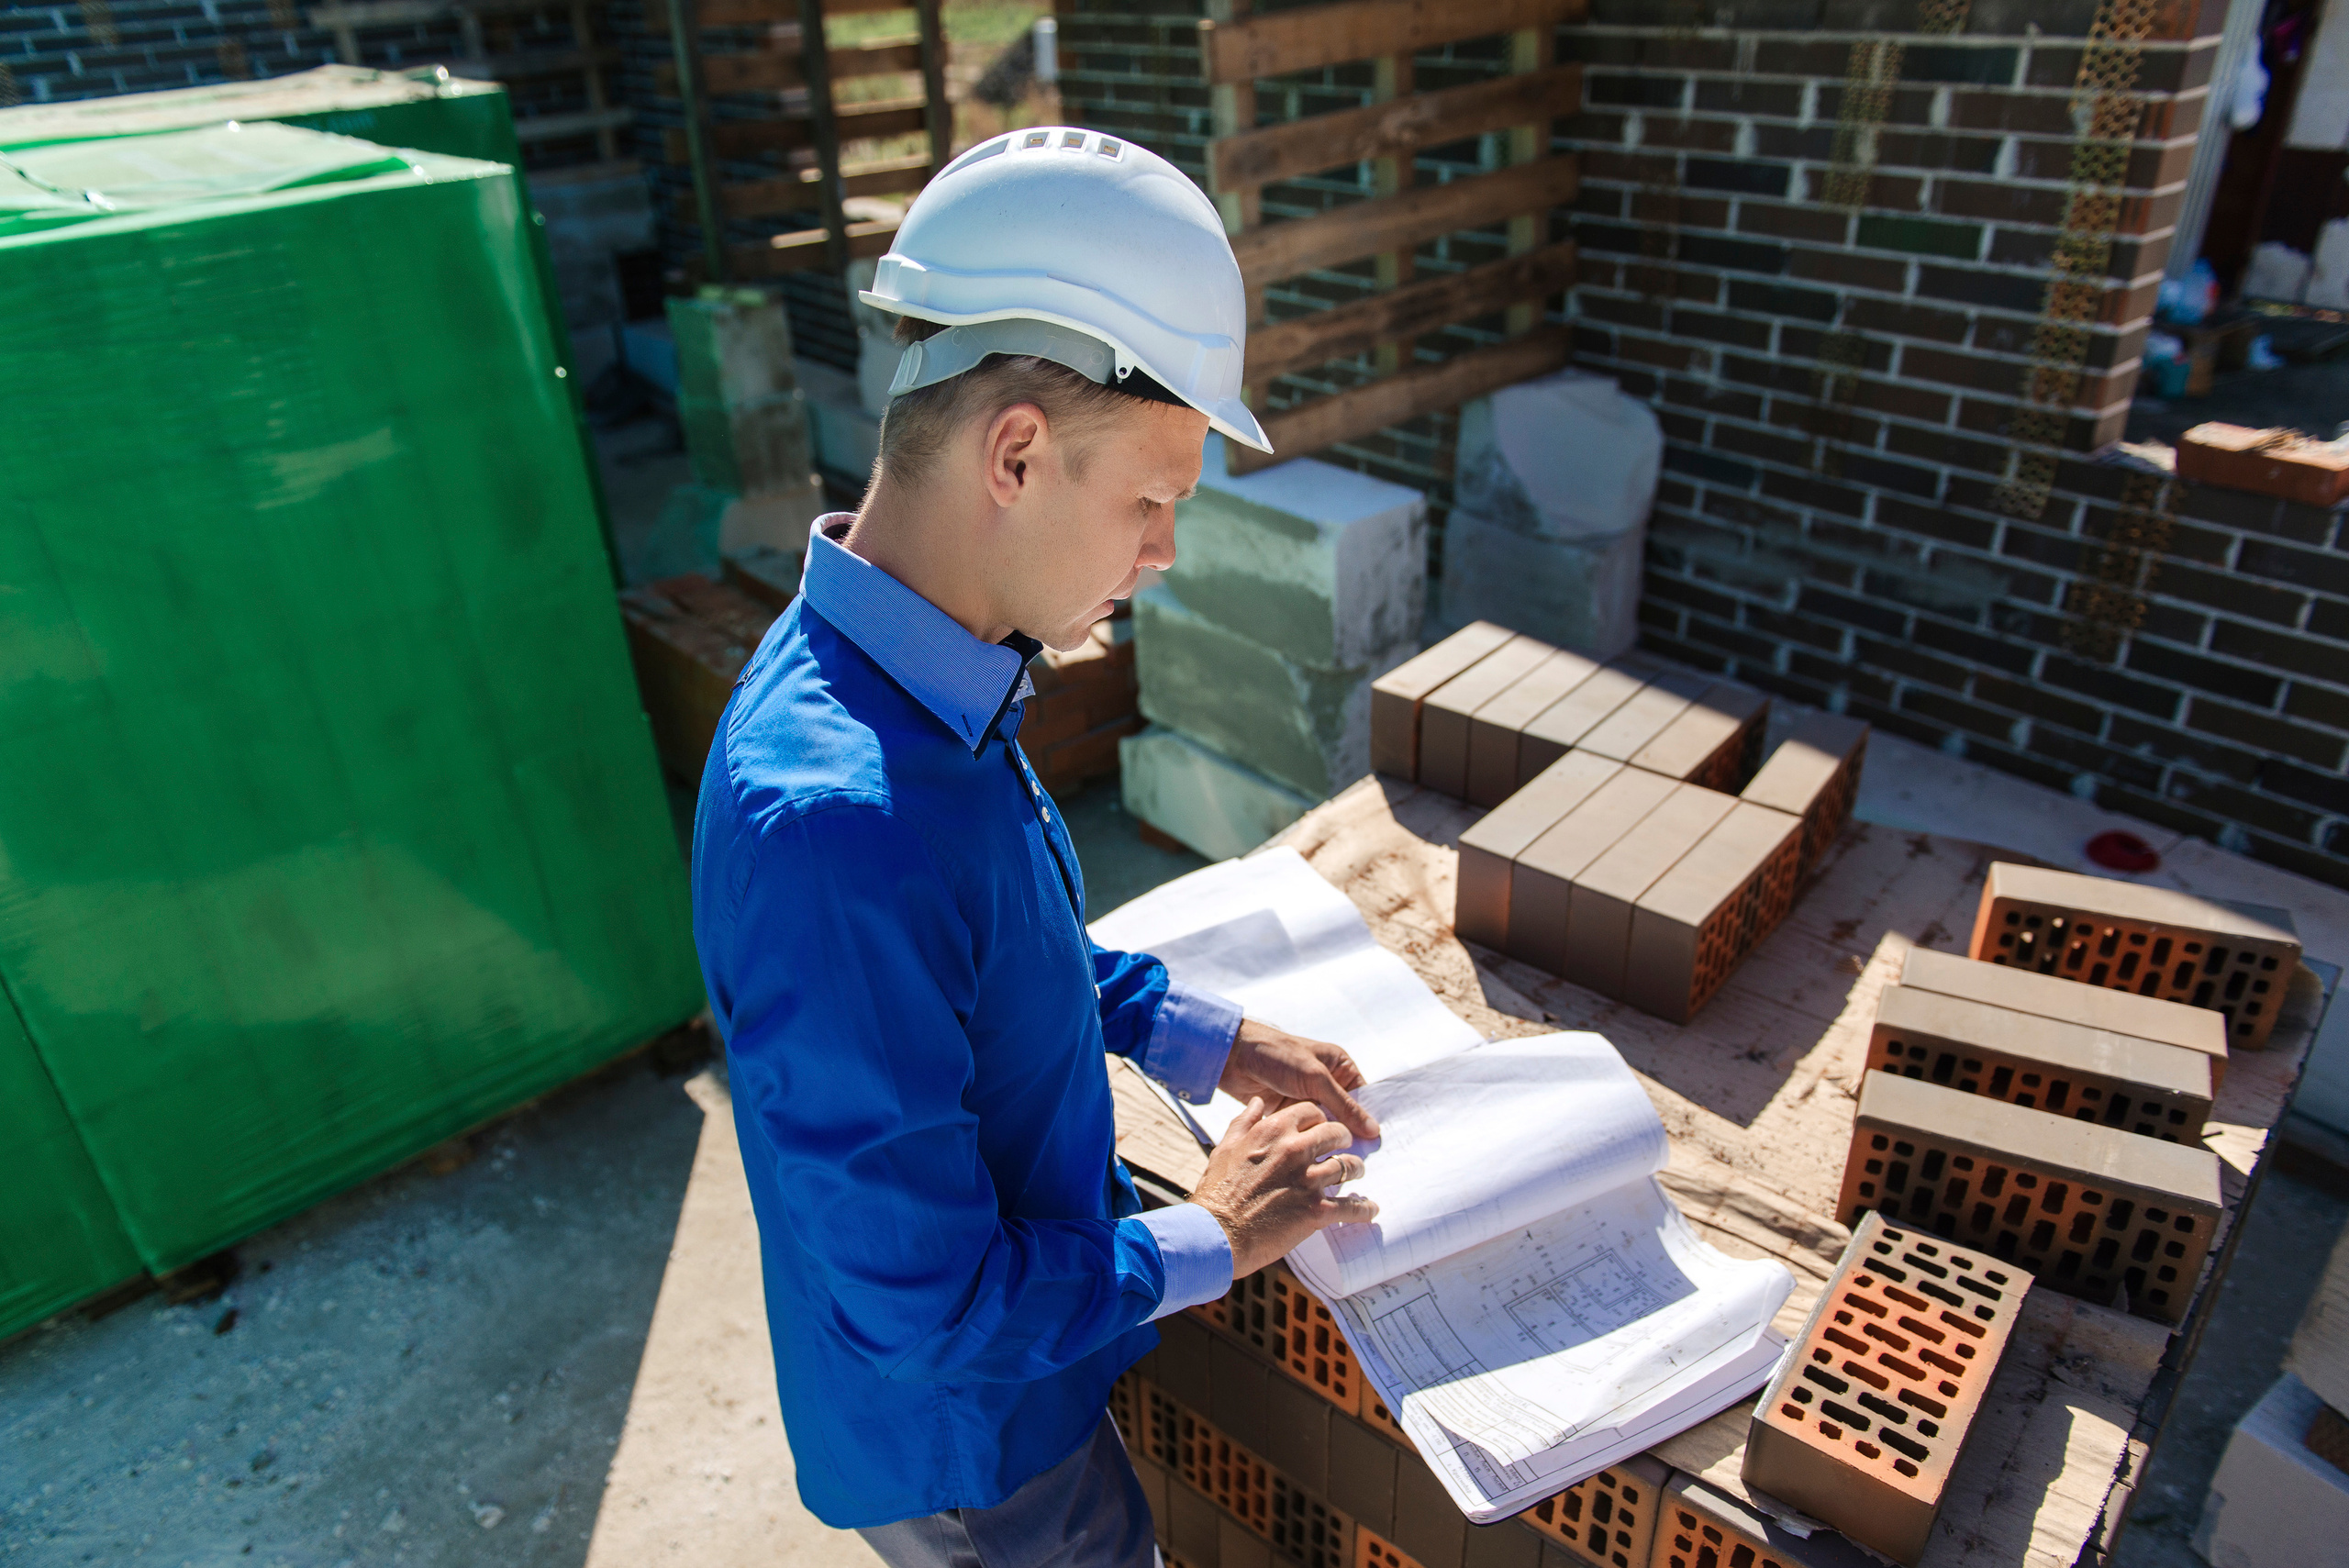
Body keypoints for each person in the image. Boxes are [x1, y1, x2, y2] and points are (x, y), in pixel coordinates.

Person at [690, 128, 1386, 1568]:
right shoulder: (838, 825)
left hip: (1009, 1385)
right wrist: (1209, 1233)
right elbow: (934, 1314)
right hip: (978, 1456)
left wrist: (1196, 1030)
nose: (1164, 553)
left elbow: (992, 945)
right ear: (1016, 452)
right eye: (1152, 501)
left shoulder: (913, 663)